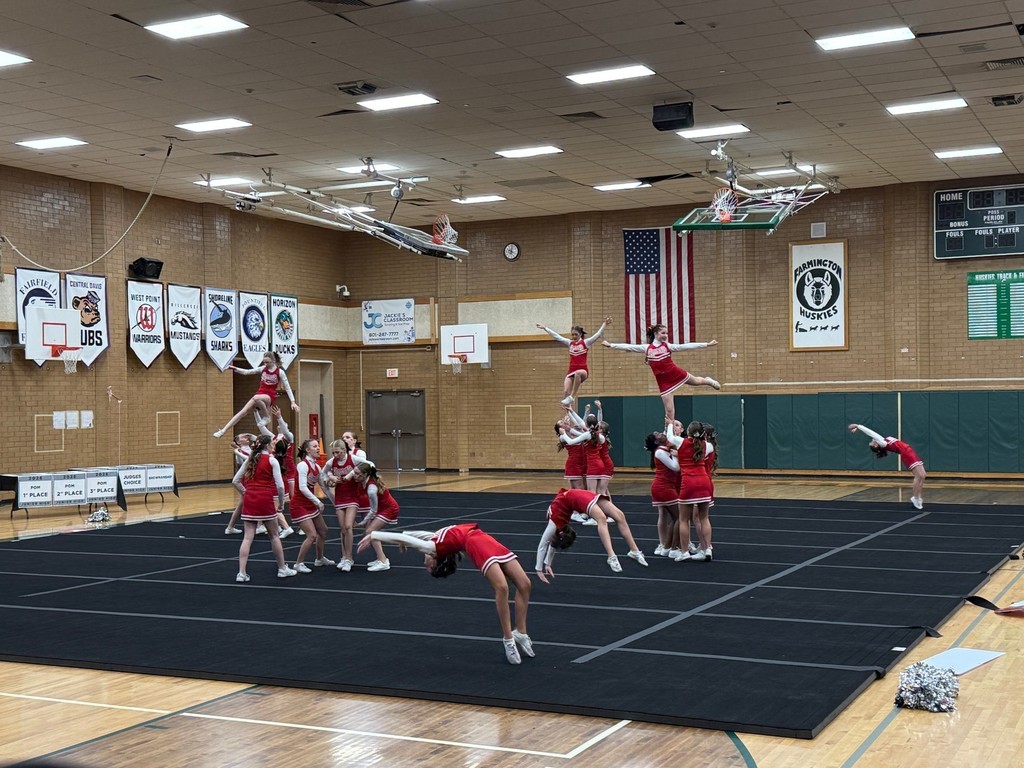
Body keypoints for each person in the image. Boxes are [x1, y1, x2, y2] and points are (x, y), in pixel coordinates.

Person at [357, 524, 534, 665]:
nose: (424, 563)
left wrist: (394, 536)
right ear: (435, 559)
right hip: (476, 545)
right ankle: (508, 640)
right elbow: (414, 541)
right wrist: (375, 535)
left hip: (484, 538)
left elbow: (416, 536)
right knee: (502, 588)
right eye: (428, 566)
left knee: (525, 584)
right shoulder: (434, 548)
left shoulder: (435, 542)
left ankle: (521, 632)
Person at [602, 324, 720, 424]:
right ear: (656, 334)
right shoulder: (647, 348)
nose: (665, 335)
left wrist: (707, 344)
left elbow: (686, 346)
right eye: (663, 333)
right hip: (663, 382)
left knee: (696, 382)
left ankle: (709, 381)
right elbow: (629, 347)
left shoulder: (667, 346)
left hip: (674, 373)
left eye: (666, 333)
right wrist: (611, 345)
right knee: (669, 411)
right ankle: (670, 432)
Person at [534, 487, 648, 579]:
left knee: (620, 516)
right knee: (602, 518)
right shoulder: (558, 528)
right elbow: (553, 544)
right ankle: (612, 556)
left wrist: (539, 569)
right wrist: (548, 564)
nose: (552, 541)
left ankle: (634, 551)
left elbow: (544, 544)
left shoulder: (553, 524)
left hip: (576, 497)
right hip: (579, 496)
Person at [231, 435, 296, 582]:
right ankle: (282, 568)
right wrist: (281, 502)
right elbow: (280, 486)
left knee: (248, 537)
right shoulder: (272, 460)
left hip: (251, 499)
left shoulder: (251, 459)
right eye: (272, 443)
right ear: (267, 446)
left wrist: (245, 492)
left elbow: (235, 481)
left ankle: (241, 573)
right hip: (265, 498)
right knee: (274, 535)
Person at [214, 351, 299, 438]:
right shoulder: (262, 369)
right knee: (243, 412)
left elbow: (287, 387)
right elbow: (247, 372)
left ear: (273, 361)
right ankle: (223, 430)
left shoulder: (280, 372)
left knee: (256, 398)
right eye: (264, 362)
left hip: (270, 395)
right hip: (260, 392)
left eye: (267, 362)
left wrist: (293, 402)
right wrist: (234, 368)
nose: (265, 364)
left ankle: (266, 417)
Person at [535, 317, 611, 405]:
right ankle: (568, 412)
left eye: (576, 334)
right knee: (566, 391)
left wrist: (604, 324)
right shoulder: (569, 343)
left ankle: (572, 396)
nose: (574, 337)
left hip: (583, 371)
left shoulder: (586, 343)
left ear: (580, 334)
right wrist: (545, 328)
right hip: (571, 371)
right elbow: (557, 337)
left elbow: (597, 335)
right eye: (572, 335)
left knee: (578, 374)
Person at [849, 423, 926, 509]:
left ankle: (918, 498)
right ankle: (915, 498)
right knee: (918, 476)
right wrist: (858, 426)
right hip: (907, 454)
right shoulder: (883, 443)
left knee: (923, 475)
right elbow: (871, 433)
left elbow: (873, 435)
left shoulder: (883, 441)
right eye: (871, 442)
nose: (872, 440)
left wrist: (858, 428)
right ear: (876, 445)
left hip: (910, 451)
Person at [289, 438, 334, 572]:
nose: (318, 448)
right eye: (315, 446)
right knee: (311, 535)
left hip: (309, 505)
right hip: (299, 505)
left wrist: (336, 503)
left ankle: (319, 559)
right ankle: (298, 563)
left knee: (323, 531)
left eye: (317, 446)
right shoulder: (303, 465)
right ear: (308, 450)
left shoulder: (317, 466)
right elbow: (302, 488)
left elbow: (324, 486)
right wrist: (317, 501)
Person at [345, 461, 399, 572]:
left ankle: (383, 561)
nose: (353, 475)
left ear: (364, 475)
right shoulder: (363, 481)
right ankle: (380, 558)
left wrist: (362, 523)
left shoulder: (371, 489)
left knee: (371, 531)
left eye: (356, 473)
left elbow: (373, 510)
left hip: (389, 508)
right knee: (370, 531)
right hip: (382, 507)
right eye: (354, 472)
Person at [644, 430, 682, 558]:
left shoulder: (664, 448)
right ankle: (673, 547)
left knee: (675, 517)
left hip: (665, 486)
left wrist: (669, 422)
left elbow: (668, 432)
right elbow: (675, 467)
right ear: (656, 441)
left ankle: (667, 546)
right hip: (663, 487)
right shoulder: (660, 452)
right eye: (658, 434)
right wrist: (676, 455)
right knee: (679, 517)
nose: (662, 433)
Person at [324, 438, 359, 570]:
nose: (335, 455)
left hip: (352, 496)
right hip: (340, 497)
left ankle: (349, 558)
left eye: (338, 452)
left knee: (349, 525)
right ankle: (344, 556)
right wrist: (331, 478)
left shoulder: (353, 459)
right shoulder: (331, 462)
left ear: (344, 450)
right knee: (343, 528)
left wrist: (351, 474)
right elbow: (323, 474)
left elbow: (369, 465)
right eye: (334, 453)